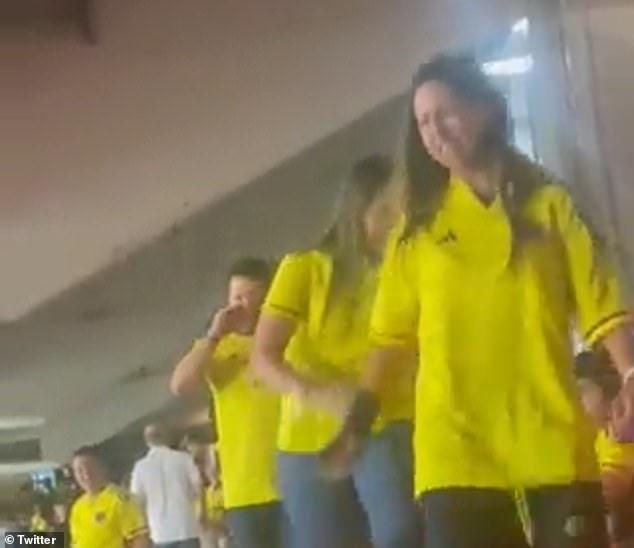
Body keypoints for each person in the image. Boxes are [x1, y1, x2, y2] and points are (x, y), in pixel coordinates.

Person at [323, 55, 634, 548]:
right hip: (455, 454)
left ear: (486, 110)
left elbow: (601, 300)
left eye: (445, 113)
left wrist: (631, 374)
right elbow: (389, 339)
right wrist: (357, 420)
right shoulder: (415, 232)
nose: (434, 132)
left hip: (550, 443)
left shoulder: (549, 205)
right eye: (423, 122)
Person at [251, 154, 419, 548]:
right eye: (384, 211)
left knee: (400, 534)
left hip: (389, 422)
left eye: (403, 211)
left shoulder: (407, 271)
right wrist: (314, 392)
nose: (395, 222)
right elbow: (263, 358)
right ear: (355, 210)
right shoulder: (304, 268)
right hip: (308, 439)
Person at [171, 258, 282, 548]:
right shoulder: (218, 348)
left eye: (251, 298)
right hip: (244, 489)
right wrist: (214, 335)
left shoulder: (288, 339)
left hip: (294, 481)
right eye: (236, 298)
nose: (241, 307)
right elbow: (180, 384)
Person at [576, 350, 634, 547]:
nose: (576, 403)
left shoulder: (619, 433)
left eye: (581, 392)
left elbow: (611, 486)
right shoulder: (597, 434)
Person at [130, 423, 202, 548]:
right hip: (186, 527)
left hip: (160, 531)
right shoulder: (184, 459)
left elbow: (137, 501)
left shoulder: (140, 467)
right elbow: (198, 487)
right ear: (166, 437)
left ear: (147, 441)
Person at [69, 445, 149, 548]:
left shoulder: (120, 499)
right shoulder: (77, 507)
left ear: (101, 467)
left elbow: (140, 539)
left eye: (90, 468)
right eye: (79, 470)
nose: (86, 475)